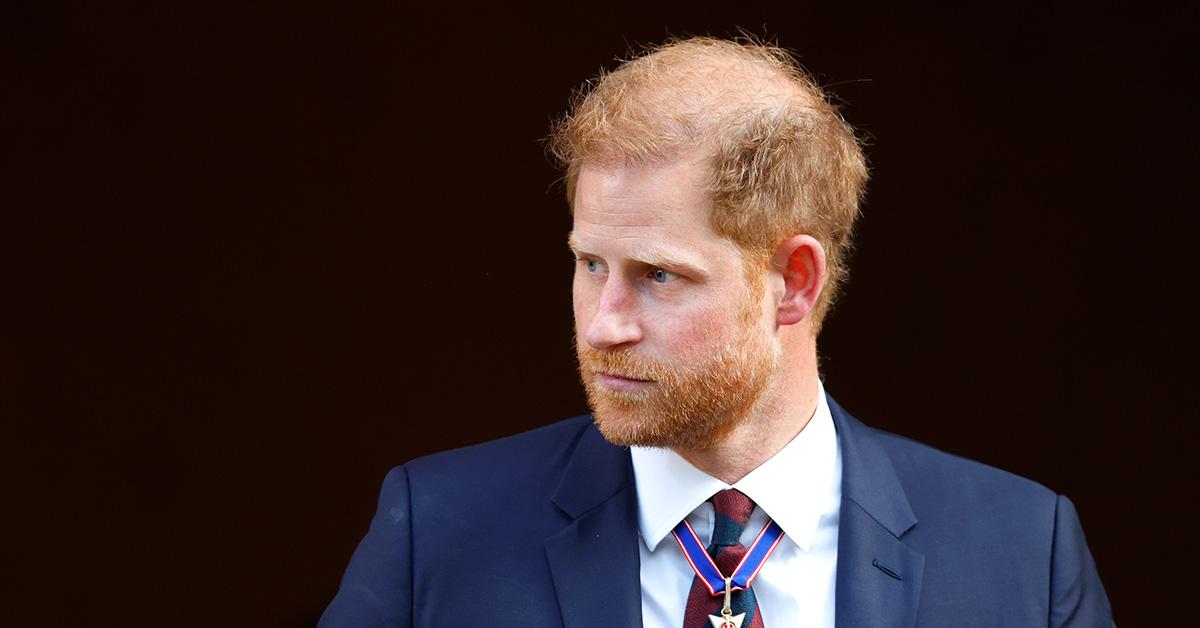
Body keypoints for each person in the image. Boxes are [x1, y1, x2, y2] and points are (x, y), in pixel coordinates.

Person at [319, 36, 1113, 627]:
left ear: (793, 282)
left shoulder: (1020, 552)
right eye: (591, 263)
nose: (603, 325)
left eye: (658, 275)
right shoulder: (440, 531)